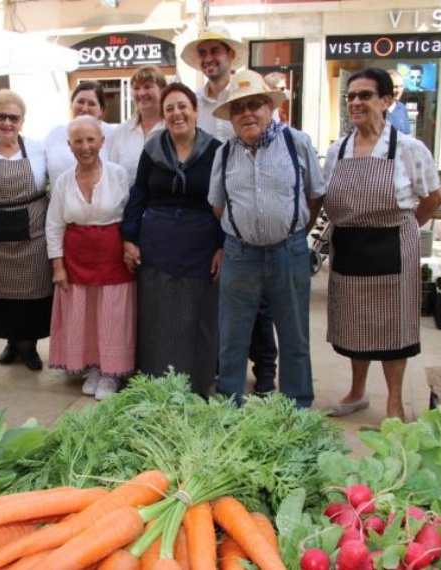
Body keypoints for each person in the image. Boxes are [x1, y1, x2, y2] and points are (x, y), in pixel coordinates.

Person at [322, 68, 441, 421]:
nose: (356, 102)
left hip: (393, 246)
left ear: (387, 101)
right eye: (351, 96)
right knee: (352, 324)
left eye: (366, 95)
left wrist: (407, 227)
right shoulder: (337, 150)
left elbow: (434, 196)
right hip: (349, 245)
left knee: (394, 327)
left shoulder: (408, 148)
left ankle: (394, 402)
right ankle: (357, 391)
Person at [208, 70, 325, 407]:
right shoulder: (225, 153)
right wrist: (243, 228)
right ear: (230, 117)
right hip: (239, 255)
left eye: (255, 104)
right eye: (238, 108)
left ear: (269, 108)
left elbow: (315, 195)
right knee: (232, 336)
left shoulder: (296, 142)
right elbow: (218, 205)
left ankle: (297, 407)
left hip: (289, 251)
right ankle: (229, 406)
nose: (247, 113)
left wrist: (294, 230)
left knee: (294, 336)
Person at [182, 27, 278, 395]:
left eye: (215, 52)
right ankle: (222, 367)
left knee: (258, 300)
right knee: (223, 299)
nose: (209, 59)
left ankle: (265, 370)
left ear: (230, 56)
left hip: (248, 206)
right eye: (203, 53)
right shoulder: (194, 101)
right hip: (209, 207)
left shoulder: (247, 91)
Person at [122, 83, 223, 396]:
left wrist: (221, 245)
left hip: (200, 247)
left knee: (197, 316)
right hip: (157, 245)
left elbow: (224, 200)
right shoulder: (152, 150)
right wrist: (129, 237)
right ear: (163, 116)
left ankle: (196, 384)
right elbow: (139, 193)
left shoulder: (217, 150)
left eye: (182, 106)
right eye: (169, 109)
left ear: (194, 110)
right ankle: (155, 382)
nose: (176, 113)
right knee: (158, 317)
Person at [46, 116, 135, 400]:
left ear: (102, 142)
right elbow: (54, 225)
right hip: (77, 258)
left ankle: (112, 374)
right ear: (69, 145)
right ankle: (94, 367)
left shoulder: (118, 174)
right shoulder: (62, 181)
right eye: (79, 141)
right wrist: (57, 265)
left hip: (112, 256)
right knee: (84, 315)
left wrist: (131, 245)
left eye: (91, 140)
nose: (85, 146)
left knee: (112, 316)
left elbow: (131, 216)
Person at [0, 89, 53, 369]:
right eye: (1, 116)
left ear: (22, 121)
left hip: (33, 232)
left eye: (13, 118)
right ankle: (11, 342)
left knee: (32, 292)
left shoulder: (40, 149)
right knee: (2, 294)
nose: (7, 123)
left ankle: (29, 348)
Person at [45, 81, 116, 188]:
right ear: (71, 104)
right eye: (80, 102)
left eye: (91, 103)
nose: (84, 108)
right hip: (61, 202)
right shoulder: (55, 134)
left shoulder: (113, 135)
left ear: (101, 110)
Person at [108, 66, 166, 186]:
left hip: (164, 203)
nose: (141, 93)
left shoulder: (171, 129)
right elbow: (112, 176)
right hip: (128, 203)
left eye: (147, 86)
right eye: (136, 88)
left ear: (163, 90)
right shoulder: (121, 131)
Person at [386, 69, 411, 135]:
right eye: (395, 87)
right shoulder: (374, 109)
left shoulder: (402, 108)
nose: (399, 90)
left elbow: (407, 135)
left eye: (401, 86)